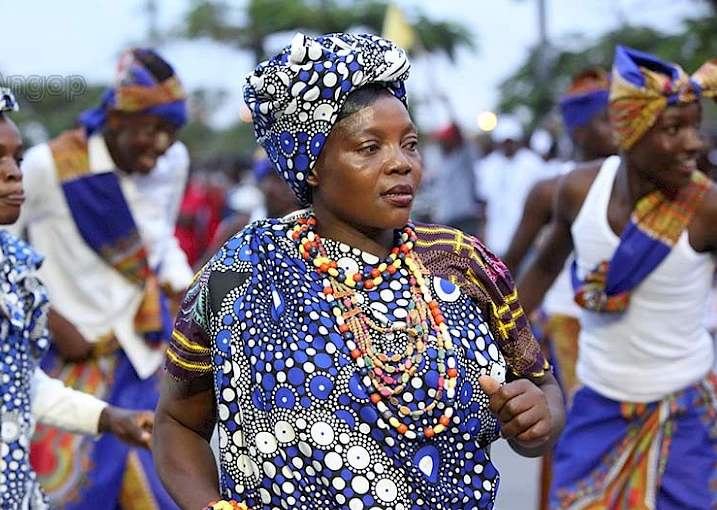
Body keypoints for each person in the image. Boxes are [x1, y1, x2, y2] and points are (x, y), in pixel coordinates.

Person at [152, 32, 565, 510]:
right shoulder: (239, 274)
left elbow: (540, 388)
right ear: (311, 165)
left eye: (409, 144)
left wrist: (539, 419)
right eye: (370, 148)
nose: (401, 164)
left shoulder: (461, 263)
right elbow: (178, 421)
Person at [0, 68, 155, 508]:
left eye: (17, 159)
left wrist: (109, 417)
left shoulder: (15, 272)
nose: (14, 174)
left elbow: (16, 384)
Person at [517, 46, 717, 509]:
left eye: (694, 125)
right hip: (597, 407)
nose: (694, 142)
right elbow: (545, 267)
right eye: (673, 129)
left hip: (684, 414)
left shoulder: (709, 211)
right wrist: (496, 347)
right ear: (631, 133)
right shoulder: (578, 190)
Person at [9, 49, 192, 509]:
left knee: (162, 490)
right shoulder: (48, 165)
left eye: (171, 131)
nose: (163, 144)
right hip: (75, 357)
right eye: (151, 129)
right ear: (116, 117)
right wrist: (50, 318)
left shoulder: (173, 163)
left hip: (147, 349)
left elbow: (161, 238)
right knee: (69, 494)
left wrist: (184, 284)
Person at [503, 67, 616, 510]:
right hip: (566, 329)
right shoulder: (553, 190)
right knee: (575, 439)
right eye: (608, 120)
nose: (621, 131)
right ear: (579, 129)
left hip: (627, 341)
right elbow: (512, 268)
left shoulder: (650, 186)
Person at [476, 115, 552, 257]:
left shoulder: (532, 163)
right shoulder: (487, 166)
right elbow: (483, 204)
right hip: (496, 239)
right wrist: (483, 234)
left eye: (510, 141)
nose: (507, 145)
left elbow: (546, 201)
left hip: (527, 238)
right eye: (504, 142)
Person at [426, 122, 482, 235]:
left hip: (465, 219)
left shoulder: (463, 157)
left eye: (446, 140)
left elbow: (460, 133)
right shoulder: (436, 160)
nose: (443, 143)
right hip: (444, 220)